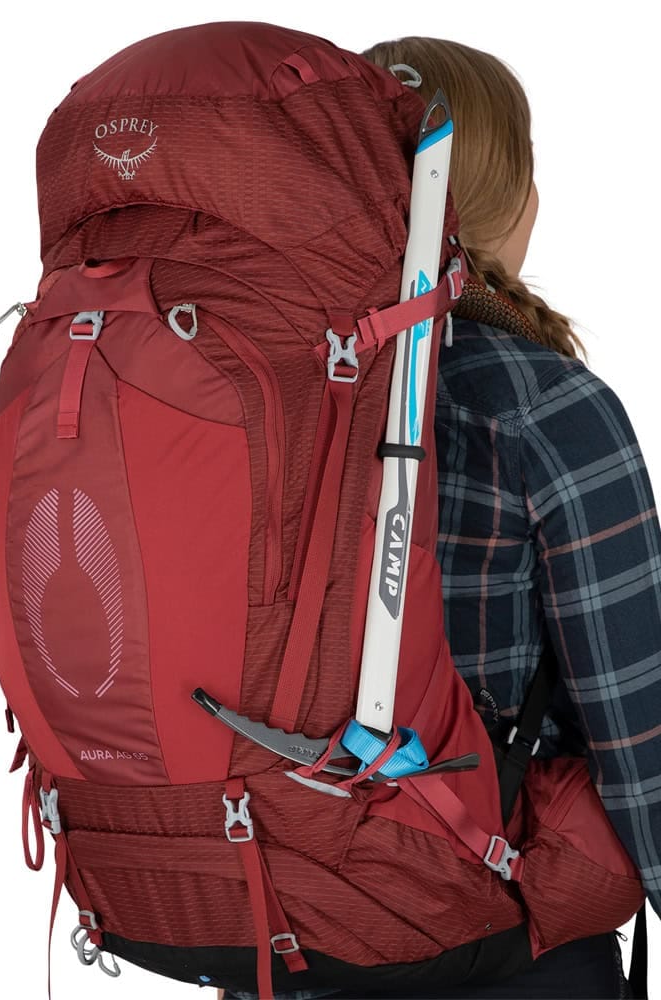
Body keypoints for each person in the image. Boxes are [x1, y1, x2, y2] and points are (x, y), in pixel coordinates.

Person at [221, 35, 661, 1000]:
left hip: (281, 927)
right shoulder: (546, 407)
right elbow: (640, 732)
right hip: (501, 936)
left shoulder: (249, 389)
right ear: (514, 203)